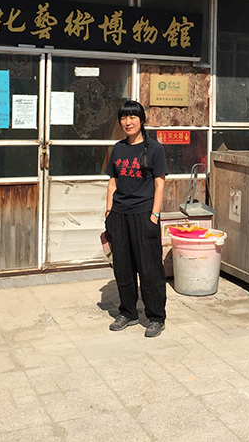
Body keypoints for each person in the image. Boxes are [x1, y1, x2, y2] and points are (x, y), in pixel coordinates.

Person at [104, 100, 168, 337]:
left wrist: (155, 215)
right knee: (123, 266)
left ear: (142, 120)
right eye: (123, 118)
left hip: (144, 214)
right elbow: (113, 182)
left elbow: (160, 184)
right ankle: (128, 312)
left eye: (132, 117)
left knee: (149, 268)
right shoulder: (118, 148)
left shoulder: (154, 149)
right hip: (119, 215)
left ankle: (155, 317)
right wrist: (109, 212)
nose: (127, 122)